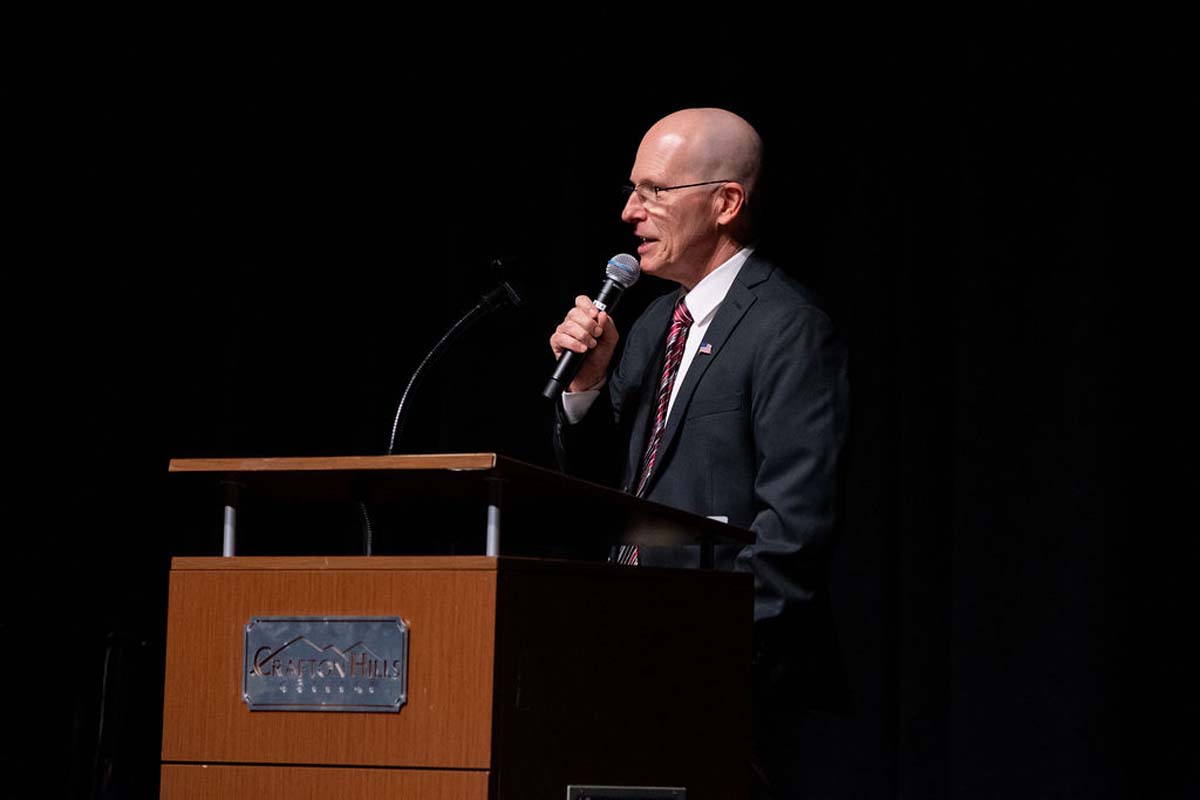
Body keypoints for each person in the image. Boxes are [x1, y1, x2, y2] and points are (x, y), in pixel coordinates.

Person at [549, 108, 849, 798]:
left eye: (654, 191)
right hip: (619, 662)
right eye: (632, 189)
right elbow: (607, 495)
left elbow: (792, 535)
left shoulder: (789, 329)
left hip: (720, 684)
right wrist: (588, 386)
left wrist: (707, 655)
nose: (630, 211)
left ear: (725, 203)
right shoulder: (655, 321)